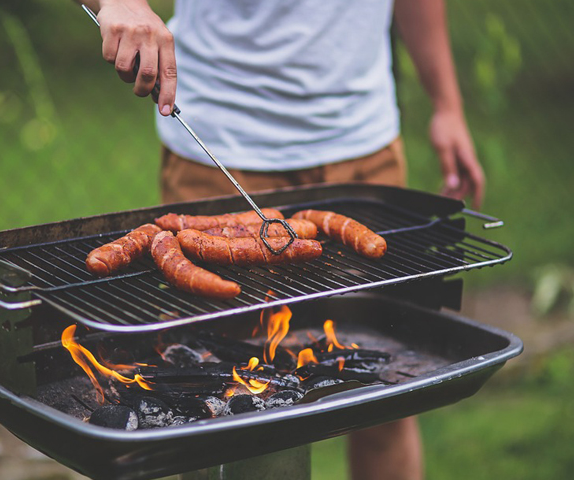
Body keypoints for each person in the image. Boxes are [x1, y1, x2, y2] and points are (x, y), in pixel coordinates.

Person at [78, 1, 485, 478]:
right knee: (219, 409)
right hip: (220, 150)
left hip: (363, 146)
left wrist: (447, 105)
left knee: (385, 395)